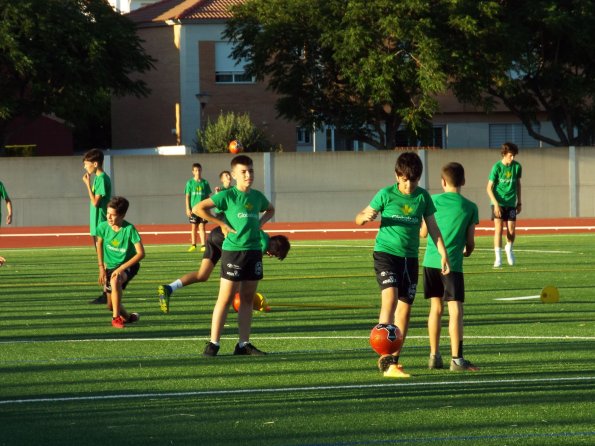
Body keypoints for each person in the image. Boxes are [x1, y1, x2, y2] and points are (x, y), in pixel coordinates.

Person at [355, 152, 450, 378]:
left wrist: (443, 254)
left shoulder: (423, 197)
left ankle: (394, 360)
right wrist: (364, 217)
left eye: (414, 180)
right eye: (405, 179)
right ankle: (383, 356)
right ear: (397, 176)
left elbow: (433, 228)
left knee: (405, 308)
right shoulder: (385, 194)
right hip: (386, 253)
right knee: (390, 297)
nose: (409, 184)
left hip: (409, 259)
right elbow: (358, 217)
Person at [194, 155, 275, 356]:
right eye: (244, 172)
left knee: (247, 298)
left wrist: (260, 223)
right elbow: (198, 208)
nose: (249, 175)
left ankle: (243, 344)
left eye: (251, 171)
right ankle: (214, 343)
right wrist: (220, 224)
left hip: (254, 251)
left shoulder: (257, 197)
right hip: (233, 252)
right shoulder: (228, 196)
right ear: (234, 175)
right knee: (225, 298)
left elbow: (270, 209)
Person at [421, 162, 479, 372]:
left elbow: (423, 233)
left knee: (435, 309)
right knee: (456, 310)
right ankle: (456, 359)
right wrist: (468, 251)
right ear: (463, 181)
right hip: (452, 264)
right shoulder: (470, 207)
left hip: (430, 262)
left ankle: (434, 356)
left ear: (442, 182)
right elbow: (470, 241)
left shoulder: (432, 201)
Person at [157, 227, 290, 313]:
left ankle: (169, 288)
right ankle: (232, 306)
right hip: (225, 239)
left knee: (202, 275)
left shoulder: (260, 236)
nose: (271, 256)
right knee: (235, 275)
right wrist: (253, 300)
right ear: (275, 246)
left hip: (215, 234)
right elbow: (248, 272)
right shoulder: (262, 244)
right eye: (275, 254)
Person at [96, 196, 145, 329]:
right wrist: (101, 267)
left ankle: (116, 319)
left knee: (115, 279)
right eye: (107, 213)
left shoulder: (129, 229)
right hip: (109, 266)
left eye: (113, 215)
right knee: (110, 305)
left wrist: (121, 268)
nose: (109, 217)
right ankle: (128, 317)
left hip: (129, 265)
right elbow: (99, 243)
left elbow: (141, 253)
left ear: (122, 215)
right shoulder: (102, 227)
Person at [82, 149, 112, 304]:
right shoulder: (98, 178)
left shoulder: (100, 179)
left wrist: (87, 185)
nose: (85, 168)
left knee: (105, 259)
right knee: (102, 257)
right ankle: (106, 293)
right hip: (96, 223)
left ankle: (107, 293)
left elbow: (95, 202)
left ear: (95, 163)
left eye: (87, 164)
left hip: (101, 223)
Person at [487, 142, 522, 268]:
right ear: (504, 154)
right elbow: (489, 188)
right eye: (510, 155)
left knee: (511, 229)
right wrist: (496, 204)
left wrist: (519, 201)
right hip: (498, 203)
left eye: (514, 156)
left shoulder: (517, 167)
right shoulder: (496, 167)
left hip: (511, 203)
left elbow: (518, 184)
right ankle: (498, 258)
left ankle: (509, 248)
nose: (512, 158)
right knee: (499, 229)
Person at [185, 163, 212, 253]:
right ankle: (193, 245)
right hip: (193, 209)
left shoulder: (205, 183)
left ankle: (203, 245)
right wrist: (188, 208)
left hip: (203, 209)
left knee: (202, 227)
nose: (198, 172)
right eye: (196, 170)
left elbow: (208, 197)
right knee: (193, 227)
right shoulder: (190, 183)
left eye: (199, 170)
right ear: (193, 172)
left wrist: (208, 209)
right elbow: (187, 197)